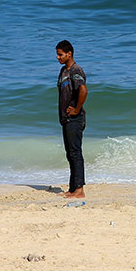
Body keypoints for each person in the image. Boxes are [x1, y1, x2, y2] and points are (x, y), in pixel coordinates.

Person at [56, 40, 88, 199]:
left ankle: (80, 190)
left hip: (75, 119)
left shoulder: (76, 70)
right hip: (66, 119)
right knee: (70, 153)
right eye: (57, 54)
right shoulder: (63, 70)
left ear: (70, 54)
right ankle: (72, 188)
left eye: (60, 54)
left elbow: (83, 90)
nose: (58, 57)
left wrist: (76, 109)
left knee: (75, 152)